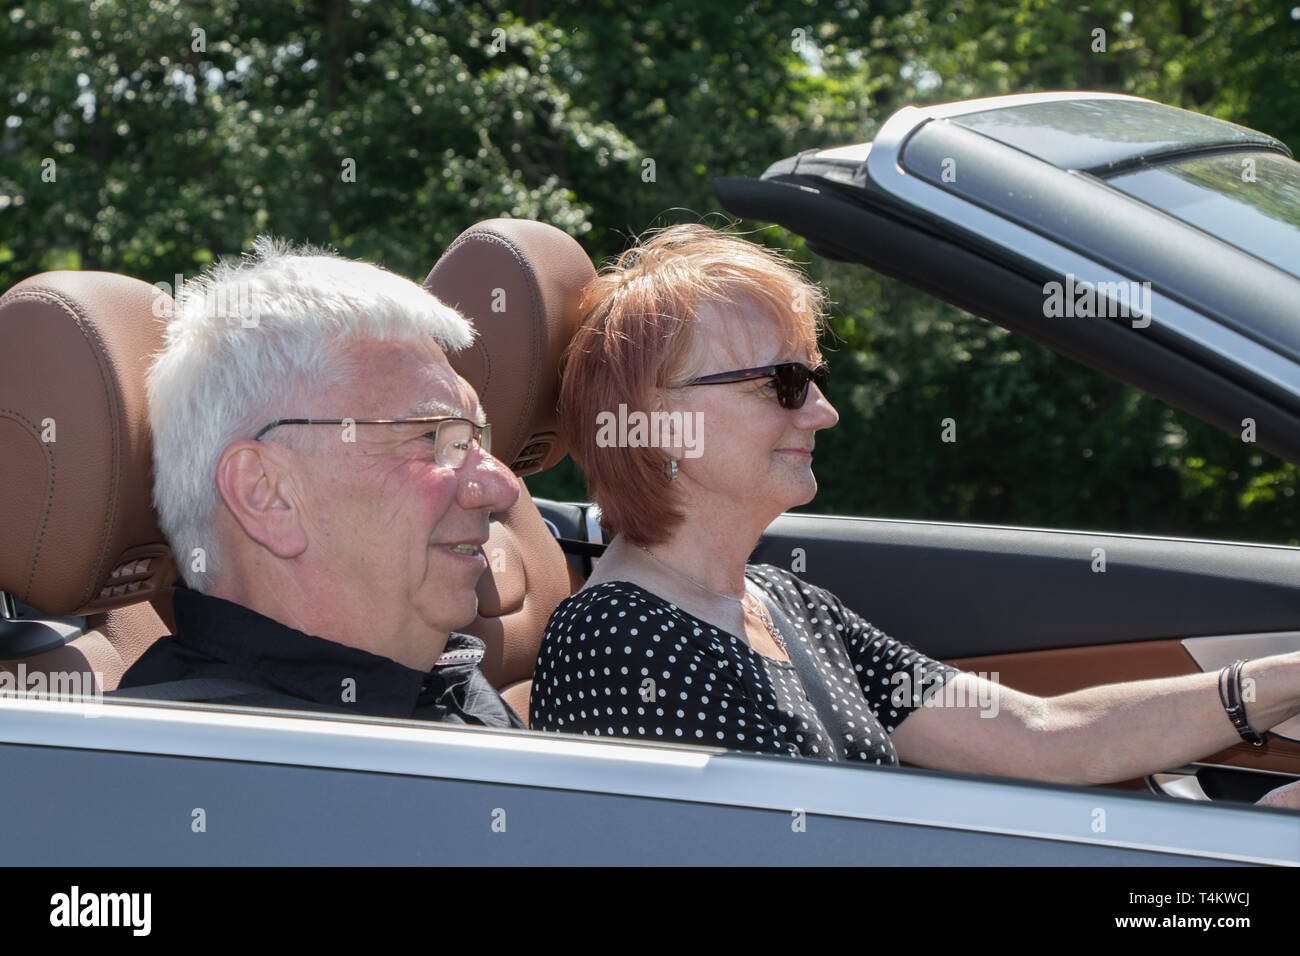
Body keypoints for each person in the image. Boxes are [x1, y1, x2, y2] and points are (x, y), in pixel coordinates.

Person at [529, 223, 1300, 808]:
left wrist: (1279, 682)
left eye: (814, 378)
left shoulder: (784, 603)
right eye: (783, 383)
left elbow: (1043, 737)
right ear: (657, 419)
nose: (823, 412)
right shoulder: (617, 638)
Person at [118, 238, 524, 727]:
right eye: (432, 437)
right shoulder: (204, 765)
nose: (503, 487)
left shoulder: (440, 684)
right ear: (266, 493)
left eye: (476, 438)